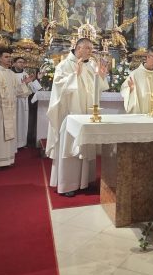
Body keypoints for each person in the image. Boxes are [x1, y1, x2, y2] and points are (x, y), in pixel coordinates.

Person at [46, 38, 108, 196]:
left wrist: (101, 77)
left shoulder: (90, 66)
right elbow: (59, 88)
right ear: (79, 48)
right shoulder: (64, 65)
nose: (91, 52)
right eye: (88, 48)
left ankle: (85, 181)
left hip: (86, 113)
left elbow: (95, 90)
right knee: (70, 147)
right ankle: (68, 184)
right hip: (70, 114)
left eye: (91, 49)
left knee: (85, 145)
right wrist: (74, 75)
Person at [121, 46, 153, 114]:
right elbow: (124, 91)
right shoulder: (135, 74)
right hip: (142, 116)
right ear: (148, 57)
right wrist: (130, 89)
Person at [11, 57, 34, 149]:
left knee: (23, 122)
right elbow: (12, 89)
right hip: (14, 101)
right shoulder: (11, 74)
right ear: (14, 63)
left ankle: (22, 143)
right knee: (14, 122)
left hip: (24, 101)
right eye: (19, 62)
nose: (21, 64)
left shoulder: (25, 74)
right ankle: (13, 143)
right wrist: (24, 83)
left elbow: (32, 88)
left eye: (23, 62)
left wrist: (36, 79)